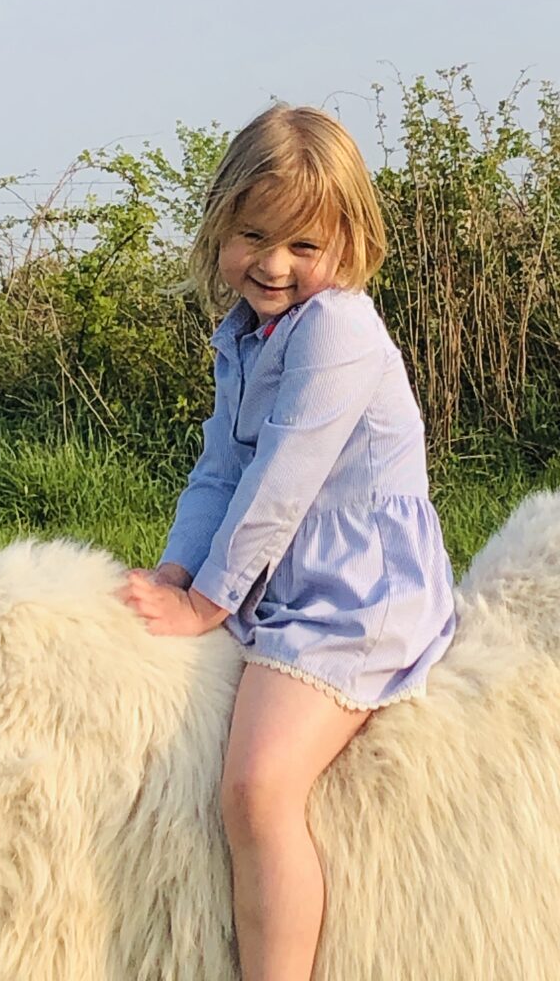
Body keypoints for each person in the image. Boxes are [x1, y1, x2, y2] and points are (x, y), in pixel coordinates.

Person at [120, 104, 456, 981]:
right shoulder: (246, 335)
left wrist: (206, 603)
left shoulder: (338, 331)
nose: (272, 264)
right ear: (220, 228)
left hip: (357, 594)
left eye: (303, 246)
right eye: (252, 235)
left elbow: (282, 482)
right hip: (285, 572)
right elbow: (219, 471)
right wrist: (174, 568)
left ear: (348, 243)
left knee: (256, 786)